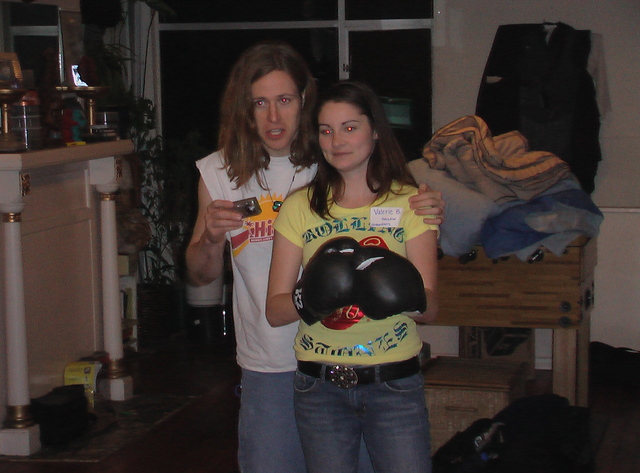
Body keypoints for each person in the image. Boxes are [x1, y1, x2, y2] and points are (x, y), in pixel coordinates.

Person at [185, 41, 443, 473]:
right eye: (260, 103)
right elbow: (199, 275)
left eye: (284, 100)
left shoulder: (331, 157)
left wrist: (428, 207)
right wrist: (210, 239)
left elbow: (393, 200)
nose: (273, 117)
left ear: (305, 99)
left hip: (359, 360)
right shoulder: (219, 173)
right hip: (269, 360)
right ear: (243, 108)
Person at [265, 81, 438, 473]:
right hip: (319, 387)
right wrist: (309, 297)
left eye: (349, 127)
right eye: (326, 130)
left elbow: (431, 309)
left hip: (394, 385)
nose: (337, 141)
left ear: (374, 131)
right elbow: (275, 311)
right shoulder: (299, 207)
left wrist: (400, 292)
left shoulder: (412, 203)